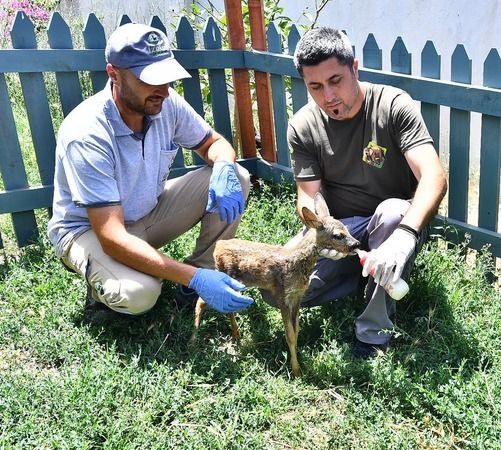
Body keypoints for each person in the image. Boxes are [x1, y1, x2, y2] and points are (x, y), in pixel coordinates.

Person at [47, 23, 254, 319]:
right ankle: (105, 290)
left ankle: (200, 274)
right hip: (89, 232)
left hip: (142, 215)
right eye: (150, 80)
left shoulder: (163, 103)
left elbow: (214, 143)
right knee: (138, 294)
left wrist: (222, 164)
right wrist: (187, 275)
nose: (163, 91)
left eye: (167, 78)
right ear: (113, 74)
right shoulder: (87, 132)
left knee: (238, 177)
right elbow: (112, 236)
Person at [279, 27, 447, 359]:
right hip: (341, 227)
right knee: (284, 288)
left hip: (393, 222)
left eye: (336, 80)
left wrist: (405, 236)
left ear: (354, 68)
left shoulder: (393, 105)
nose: (328, 96)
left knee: (391, 214)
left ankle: (373, 334)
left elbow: (434, 176)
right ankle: (365, 273)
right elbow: (307, 195)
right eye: (315, 87)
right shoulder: (303, 126)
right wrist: (319, 231)